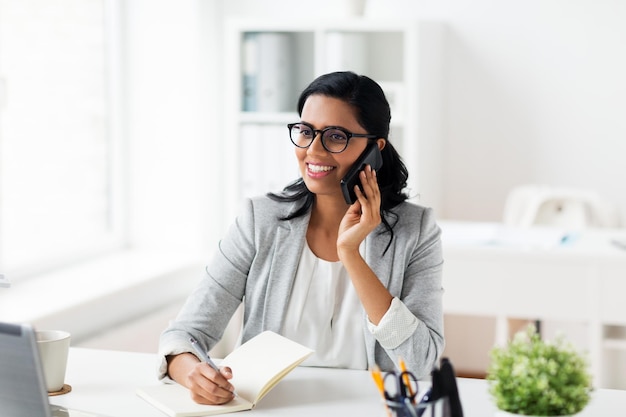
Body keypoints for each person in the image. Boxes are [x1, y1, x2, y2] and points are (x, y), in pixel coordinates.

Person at [158, 71, 444, 405]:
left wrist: (350, 254)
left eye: (336, 136)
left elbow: (422, 362)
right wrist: (193, 373)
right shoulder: (259, 220)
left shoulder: (416, 229)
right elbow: (183, 335)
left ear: (375, 148)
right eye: (306, 132)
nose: (314, 151)